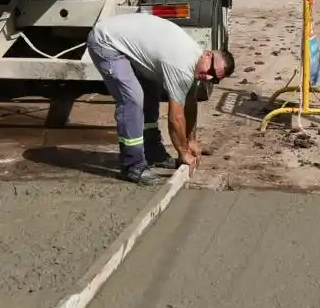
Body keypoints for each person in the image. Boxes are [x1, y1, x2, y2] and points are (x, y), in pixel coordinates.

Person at [86, 12, 235, 186]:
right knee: (133, 98)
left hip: (127, 40)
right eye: (210, 72)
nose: (208, 78)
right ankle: (133, 165)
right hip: (106, 41)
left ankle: (152, 152)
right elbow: (175, 118)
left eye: (214, 78)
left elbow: (190, 105)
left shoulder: (197, 61)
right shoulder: (182, 66)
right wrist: (183, 151)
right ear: (208, 55)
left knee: (150, 91)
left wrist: (191, 140)